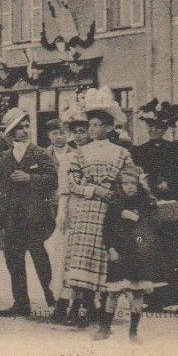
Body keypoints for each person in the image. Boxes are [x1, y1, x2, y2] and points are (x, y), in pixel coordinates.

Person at [60, 87, 133, 328]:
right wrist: (94, 191)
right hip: (87, 210)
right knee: (82, 257)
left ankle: (103, 308)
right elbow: (72, 183)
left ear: (110, 128)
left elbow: (131, 180)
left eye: (99, 125)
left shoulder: (121, 153)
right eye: (91, 125)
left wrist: (117, 195)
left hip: (110, 211)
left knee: (106, 255)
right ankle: (82, 305)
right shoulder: (80, 153)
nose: (94, 130)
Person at [130, 101, 178, 314]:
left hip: (174, 210)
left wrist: (170, 185)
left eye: (158, 127)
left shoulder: (177, 150)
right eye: (151, 127)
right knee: (153, 252)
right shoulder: (139, 151)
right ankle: (156, 299)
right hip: (150, 207)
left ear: (165, 129)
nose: (154, 130)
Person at [0, 108, 57, 317]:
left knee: (41, 261)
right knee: (14, 261)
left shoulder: (40, 153)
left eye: (27, 126)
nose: (25, 131)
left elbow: (53, 179)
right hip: (11, 218)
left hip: (35, 219)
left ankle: (54, 302)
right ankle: (21, 303)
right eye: (20, 128)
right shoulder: (6, 157)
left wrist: (30, 178)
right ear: (11, 133)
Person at [95, 165, 165, 343]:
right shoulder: (116, 203)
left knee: (138, 291)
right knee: (113, 291)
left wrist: (138, 219)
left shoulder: (147, 202)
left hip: (140, 253)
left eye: (133, 183)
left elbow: (155, 224)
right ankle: (105, 327)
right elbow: (107, 228)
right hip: (120, 251)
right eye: (125, 183)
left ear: (139, 184)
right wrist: (110, 248)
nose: (129, 187)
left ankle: (133, 331)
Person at [49, 107, 92, 323]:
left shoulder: (95, 156)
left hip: (91, 210)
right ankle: (61, 303)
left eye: (83, 132)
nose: (78, 136)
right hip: (72, 208)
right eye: (75, 132)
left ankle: (81, 305)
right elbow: (63, 188)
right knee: (65, 256)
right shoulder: (69, 158)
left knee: (85, 259)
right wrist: (62, 212)